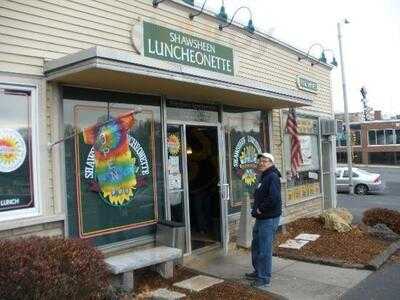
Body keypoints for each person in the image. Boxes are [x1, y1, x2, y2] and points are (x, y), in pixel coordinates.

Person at [246, 152, 282, 287]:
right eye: (260, 161)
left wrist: (260, 209)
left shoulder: (272, 177)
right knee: (256, 245)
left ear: (271, 163)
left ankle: (264, 278)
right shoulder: (264, 176)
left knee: (264, 249)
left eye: (265, 161)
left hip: (268, 218)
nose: (261, 163)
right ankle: (258, 271)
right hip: (261, 218)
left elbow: (274, 198)